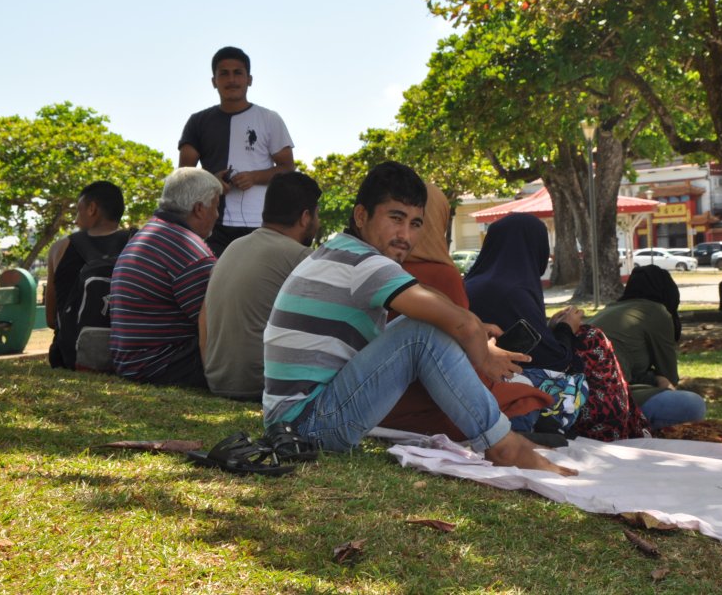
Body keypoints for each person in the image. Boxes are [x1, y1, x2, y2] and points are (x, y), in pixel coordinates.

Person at [262, 161, 574, 476]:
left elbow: (433, 301)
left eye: (415, 224)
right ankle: (502, 444)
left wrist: (476, 329)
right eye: (395, 218)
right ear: (361, 216)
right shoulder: (366, 264)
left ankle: (501, 437)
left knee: (424, 327)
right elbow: (455, 323)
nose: (405, 236)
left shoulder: (343, 252)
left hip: (292, 421)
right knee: (421, 332)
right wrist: (482, 354)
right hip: (307, 427)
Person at [379, 184, 553, 438]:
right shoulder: (441, 275)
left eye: (416, 223)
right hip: (432, 409)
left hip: (379, 404)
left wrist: (478, 331)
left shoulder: (370, 268)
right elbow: (460, 370)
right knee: (532, 394)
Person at [465, 213, 648, 442]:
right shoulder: (514, 289)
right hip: (508, 389)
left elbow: (528, 340)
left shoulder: (472, 283)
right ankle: (615, 428)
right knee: (592, 337)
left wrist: (549, 328)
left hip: (474, 388)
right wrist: (566, 330)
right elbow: (554, 361)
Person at [199, 172, 322, 401]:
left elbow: (203, 318)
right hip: (262, 385)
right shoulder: (302, 256)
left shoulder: (233, 247)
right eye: (317, 214)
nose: (318, 222)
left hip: (216, 381)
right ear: (306, 217)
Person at [178, 46, 295, 256]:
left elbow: (288, 168)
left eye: (238, 73)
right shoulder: (198, 122)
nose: (231, 80)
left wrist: (254, 177)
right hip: (211, 224)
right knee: (211, 284)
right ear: (214, 81)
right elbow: (183, 174)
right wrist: (211, 181)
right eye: (224, 73)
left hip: (261, 223)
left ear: (249, 79)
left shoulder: (269, 119)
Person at [110, 168, 221, 387]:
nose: (218, 215)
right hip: (161, 365)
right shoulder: (189, 250)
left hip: (131, 361)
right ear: (199, 208)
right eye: (216, 206)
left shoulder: (150, 232)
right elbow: (217, 322)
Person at [590, 265, 707, 429]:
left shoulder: (609, 309)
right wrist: (657, 378)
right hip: (609, 400)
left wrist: (653, 378)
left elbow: (625, 368)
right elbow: (669, 378)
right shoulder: (656, 311)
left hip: (579, 397)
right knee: (693, 405)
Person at [46, 181, 133, 369]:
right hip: (128, 356)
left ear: (92, 208)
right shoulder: (139, 243)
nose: (76, 219)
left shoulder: (59, 249)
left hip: (69, 358)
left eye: (78, 211)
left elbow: (51, 320)